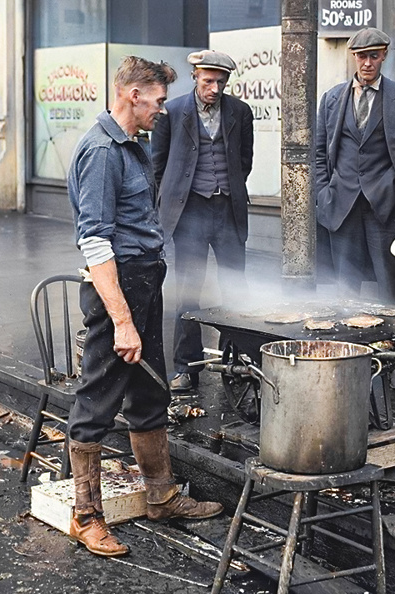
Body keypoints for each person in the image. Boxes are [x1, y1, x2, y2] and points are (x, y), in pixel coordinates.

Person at [67, 56, 223, 557]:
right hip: (119, 292)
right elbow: (95, 243)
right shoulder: (102, 152)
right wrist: (122, 322)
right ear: (134, 95)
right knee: (98, 399)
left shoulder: (133, 146)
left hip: (143, 284)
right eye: (157, 100)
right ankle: (85, 515)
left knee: (151, 392)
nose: (163, 109)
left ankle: (160, 495)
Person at [313, 27, 395, 390]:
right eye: (361, 56)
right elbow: (318, 154)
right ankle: (347, 361)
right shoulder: (332, 99)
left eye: (374, 55)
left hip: (384, 207)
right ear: (353, 58)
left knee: (390, 289)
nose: (367, 62)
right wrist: (322, 193)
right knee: (344, 289)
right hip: (342, 206)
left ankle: (393, 365)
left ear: (384, 56)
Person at [152, 50, 254, 394]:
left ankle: (235, 362)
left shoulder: (240, 112)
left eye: (221, 82)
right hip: (189, 212)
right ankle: (186, 367)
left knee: (234, 291)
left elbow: (244, 161)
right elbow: (158, 165)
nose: (214, 88)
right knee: (188, 292)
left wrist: (224, 187)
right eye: (208, 81)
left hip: (228, 211)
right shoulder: (173, 111)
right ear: (195, 76)